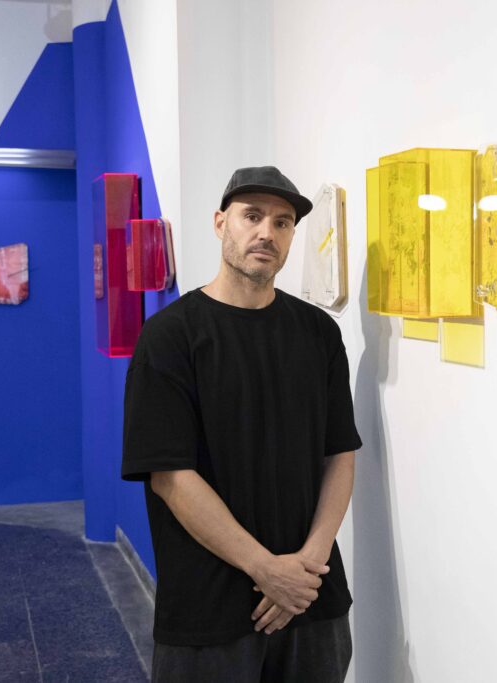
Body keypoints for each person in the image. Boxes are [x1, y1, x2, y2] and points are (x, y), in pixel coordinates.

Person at [121, 166, 361, 682]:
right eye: (252, 216)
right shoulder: (170, 338)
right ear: (219, 223)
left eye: (282, 223)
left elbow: (339, 452)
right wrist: (266, 569)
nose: (266, 233)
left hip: (311, 599)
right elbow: (170, 476)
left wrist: (307, 565)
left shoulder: (318, 333)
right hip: (210, 607)